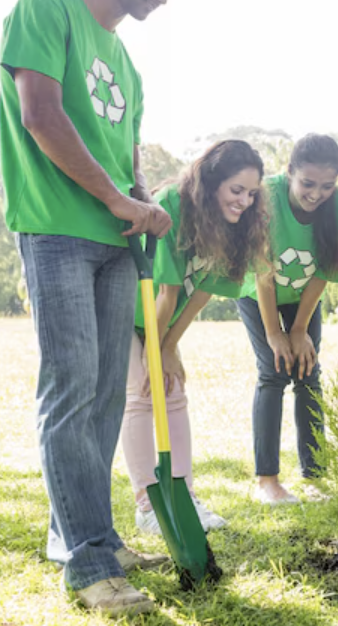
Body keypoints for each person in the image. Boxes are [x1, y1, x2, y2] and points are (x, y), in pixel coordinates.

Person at [0, 0, 198, 615]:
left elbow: (128, 155)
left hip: (118, 243)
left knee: (107, 394)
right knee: (72, 386)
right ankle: (88, 564)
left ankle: (95, 537)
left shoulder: (128, 65)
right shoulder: (46, 8)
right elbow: (40, 115)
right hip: (57, 229)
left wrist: (144, 201)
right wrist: (118, 199)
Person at [121, 140, 269, 537]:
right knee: (140, 393)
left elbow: (201, 289)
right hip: (127, 312)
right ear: (211, 181)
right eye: (236, 190)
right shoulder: (173, 203)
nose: (245, 201)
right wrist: (155, 350)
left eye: (252, 193)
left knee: (173, 391)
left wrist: (168, 346)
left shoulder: (232, 226)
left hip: (162, 322)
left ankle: (183, 495)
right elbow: (167, 292)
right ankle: (147, 505)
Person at [236, 134, 338, 505]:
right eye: (307, 183)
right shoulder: (266, 196)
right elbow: (262, 271)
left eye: (326, 185)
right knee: (273, 372)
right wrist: (275, 333)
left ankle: (314, 476)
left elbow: (326, 269)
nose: (316, 193)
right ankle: (267, 481)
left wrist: (300, 329)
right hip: (258, 293)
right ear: (289, 173)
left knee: (307, 371)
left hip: (304, 295)